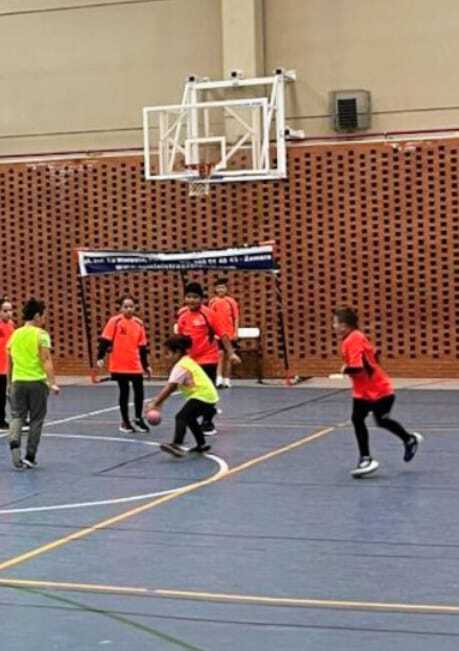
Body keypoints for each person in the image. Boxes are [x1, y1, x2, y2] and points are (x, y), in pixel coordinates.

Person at [333, 306, 423, 478]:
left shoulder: (352, 339)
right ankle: (403, 441)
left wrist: (345, 369)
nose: (334, 326)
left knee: (373, 420)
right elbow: (375, 354)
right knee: (366, 419)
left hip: (377, 390)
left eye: (336, 323)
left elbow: (357, 367)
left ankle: (369, 457)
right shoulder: (356, 337)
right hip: (366, 390)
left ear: (344, 325)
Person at [176, 282, 240, 435]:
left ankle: (207, 421)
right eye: (189, 297)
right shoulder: (183, 316)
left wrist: (231, 353)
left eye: (195, 297)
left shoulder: (209, 314)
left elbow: (223, 334)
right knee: (193, 390)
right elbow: (181, 339)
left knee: (208, 389)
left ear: (202, 299)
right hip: (191, 360)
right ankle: (207, 411)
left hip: (208, 358)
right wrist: (180, 357)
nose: (191, 300)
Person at [7, 298, 60, 469]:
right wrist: (52, 382)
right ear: (37, 316)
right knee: (36, 419)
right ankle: (30, 456)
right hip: (36, 382)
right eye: (43, 316)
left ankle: (14, 441)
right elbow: (46, 360)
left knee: (17, 416)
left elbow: (10, 361)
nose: (44, 319)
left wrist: (9, 382)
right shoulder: (41, 335)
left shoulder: (15, 334)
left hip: (18, 381)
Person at [146, 334, 218, 458]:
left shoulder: (181, 366)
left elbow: (171, 387)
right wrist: (159, 402)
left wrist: (156, 402)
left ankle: (177, 444)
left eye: (168, 353)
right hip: (209, 396)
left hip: (202, 396)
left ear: (177, 352)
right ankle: (202, 444)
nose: (166, 357)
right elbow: (173, 388)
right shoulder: (187, 361)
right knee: (190, 418)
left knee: (181, 417)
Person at [97, 295, 152, 433]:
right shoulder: (115, 321)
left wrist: (146, 365)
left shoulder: (138, 324)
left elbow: (142, 347)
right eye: (125, 307)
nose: (129, 309)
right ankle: (125, 421)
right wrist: (100, 357)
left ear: (135, 308)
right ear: (121, 308)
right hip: (119, 364)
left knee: (139, 391)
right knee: (124, 391)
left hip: (135, 364)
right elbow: (105, 340)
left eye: (131, 306)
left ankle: (138, 418)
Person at [209, 278, 240, 388]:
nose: (220, 289)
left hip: (229, 333)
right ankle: (219, 379)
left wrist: (236, 332)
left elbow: (236, 317)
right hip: (218, 334)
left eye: (222, 287)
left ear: (226, 289)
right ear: (215, 289)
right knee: (220, 355)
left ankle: (227, 379)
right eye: (218, 287)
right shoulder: (212, 301)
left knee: (229, 357)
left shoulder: (231, 301)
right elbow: (210, 318)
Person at [0, 298, 15, 431]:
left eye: (10, 310)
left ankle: (18, 418)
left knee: (10, 394)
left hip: (9, 366)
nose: (8, 313)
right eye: (5, 310)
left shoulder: (11, 325)